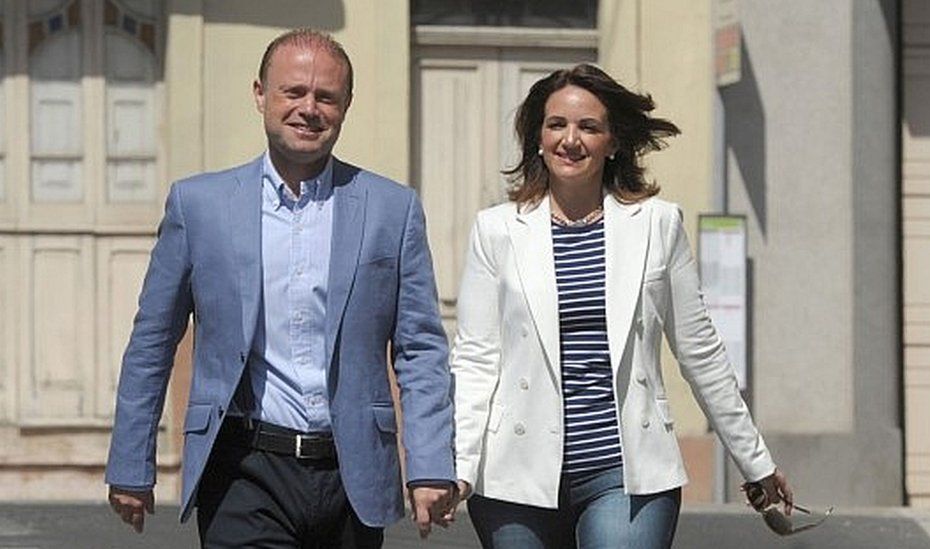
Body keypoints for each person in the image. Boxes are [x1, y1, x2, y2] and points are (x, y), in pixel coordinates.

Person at [105, 29, 456, 547]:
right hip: (243, 470)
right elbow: (153, 340)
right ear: (260, 94)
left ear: (346, 105)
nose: (309, 108)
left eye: (326, 96)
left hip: (350, 470)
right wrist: (132, 459)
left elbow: (421, 347)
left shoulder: (391, 209)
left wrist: (429, 463)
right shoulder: (198, 205)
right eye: (293, 92)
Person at [449, 63, 792, 548]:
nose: (571, 140)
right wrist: (459, 468)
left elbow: (700, 353)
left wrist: (754, 460)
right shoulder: (497, 230)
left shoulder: (656, 224)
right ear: (537, 138)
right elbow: (476, 357)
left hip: (625, 474)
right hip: (515, 476)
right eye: (557, 125)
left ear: (612, 142)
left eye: (589, 126)